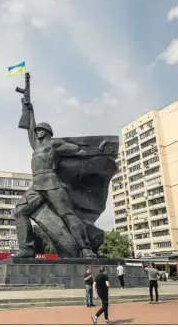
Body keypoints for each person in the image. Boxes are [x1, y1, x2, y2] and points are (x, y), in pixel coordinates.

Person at [13, 100, 112, 259]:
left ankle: (85, 248)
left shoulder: (55, 144)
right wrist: (28, 108)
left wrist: (98, 150)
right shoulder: (37, 147)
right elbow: (30, 128)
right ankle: (27, 248)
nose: (37, 132)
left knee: (68, 216)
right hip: (37, 187)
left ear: (47, 132)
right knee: (19, 212)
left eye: (40, 130)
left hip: (53, 185)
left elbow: (78, 151)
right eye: (37, 131)